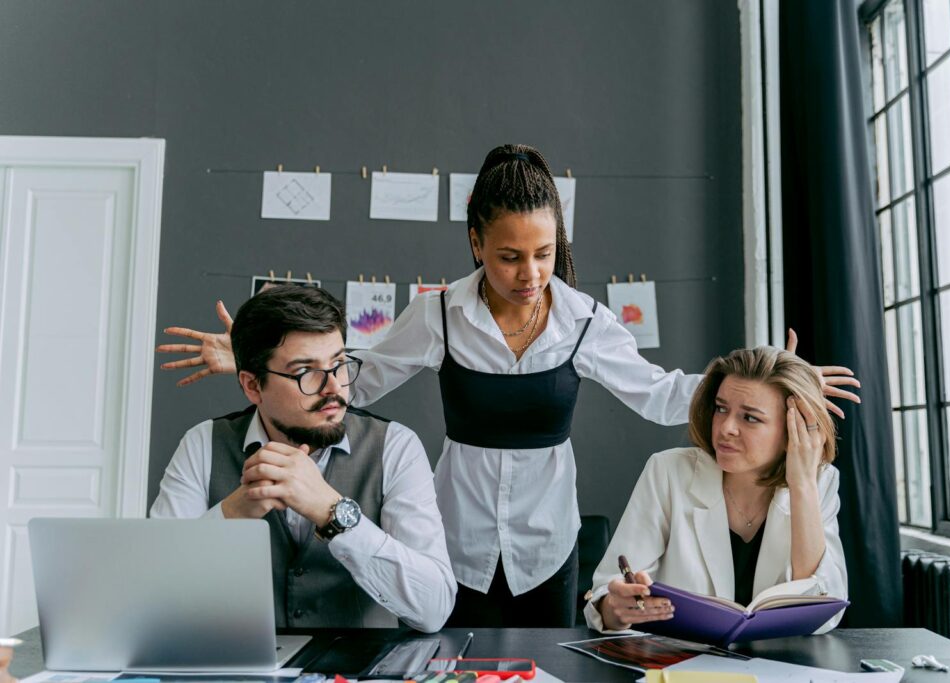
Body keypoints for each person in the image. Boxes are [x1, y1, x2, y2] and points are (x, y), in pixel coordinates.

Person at [156, 144, 860, 627]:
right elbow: (357, 376)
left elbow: (664, 393)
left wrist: (771, 375)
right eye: (509, 256)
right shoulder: (437, 313)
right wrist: (256, 358)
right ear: (474, 243)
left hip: (546, 543)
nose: (530, 273)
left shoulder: (583, 322)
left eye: (545, 254)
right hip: (454, 540)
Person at [150, 285, 456, 632]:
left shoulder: (395, 447)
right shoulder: (203, 444)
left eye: (339, 364)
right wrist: (233, 513)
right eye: (305, 372)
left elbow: (433, 610)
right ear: (252, 386)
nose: (333, 388)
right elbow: (153, 597)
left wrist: (333, 512)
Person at [584, 346, 847, 633]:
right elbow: (605, 598)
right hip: (679, 664)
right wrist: (616, 610)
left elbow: (824, 609)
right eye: (721, 409)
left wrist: (803, 486)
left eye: (750, 417)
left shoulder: (819, 482)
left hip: (780, 665)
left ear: (792, 430)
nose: (725, 428)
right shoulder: (668, 471)